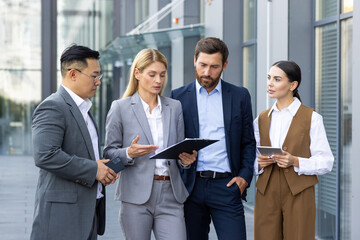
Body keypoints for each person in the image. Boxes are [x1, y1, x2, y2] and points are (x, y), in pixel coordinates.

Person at [103, 48, 197, 240]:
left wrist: (186, 161)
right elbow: (109, 154)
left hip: (171, 194)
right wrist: (129, 153)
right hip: (135, 196)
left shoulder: (174, 107)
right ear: (137, 73)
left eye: (162, 75)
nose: (158, 81)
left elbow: (179, 153)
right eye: (152, 74)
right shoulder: (120, 108)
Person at [170, 37, 256, 240]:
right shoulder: (177, 97)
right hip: (191, 188)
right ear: (194, 61)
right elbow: (172, 142)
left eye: (214, 66)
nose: (207, 72)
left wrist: (244, 177)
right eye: (203, 65)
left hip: (227, 186)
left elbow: (248, 142)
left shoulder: (240, 95)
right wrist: (182, 161)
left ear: (225, 65)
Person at [31, 45, 118, 240]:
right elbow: (45, 155)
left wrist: (105, 170)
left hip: (87, 215)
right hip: (62, 218)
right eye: (94, 76)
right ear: (73, 74)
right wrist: (94, 170)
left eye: (99, 77)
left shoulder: (83, 109)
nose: (98, 82)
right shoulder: (53, 106)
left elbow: (87, 155)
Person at [253, 60, 334, 240]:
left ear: (293, 85)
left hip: (299, 191)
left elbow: (326, 162)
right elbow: (253, 158)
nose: (270, 83)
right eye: (269, 78)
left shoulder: (312, 118)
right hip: (266, 190)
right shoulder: (261, 119)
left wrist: (295, 161)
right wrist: (258, 163)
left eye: (277, 79)